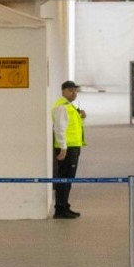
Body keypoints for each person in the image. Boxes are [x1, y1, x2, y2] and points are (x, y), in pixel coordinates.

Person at [51, 79, 86, 219]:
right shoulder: (62, 107)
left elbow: (73, 126)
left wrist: (81, 117)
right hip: (67, 149)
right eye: (70, 90)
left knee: (68, 179)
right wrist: (63, 148)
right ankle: (60, 209)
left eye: (75, 90)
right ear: (63, 91)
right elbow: (59, 128)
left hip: (72, 147)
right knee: (64, 179)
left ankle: (64, 206)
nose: (74, 93)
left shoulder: (69, 106)